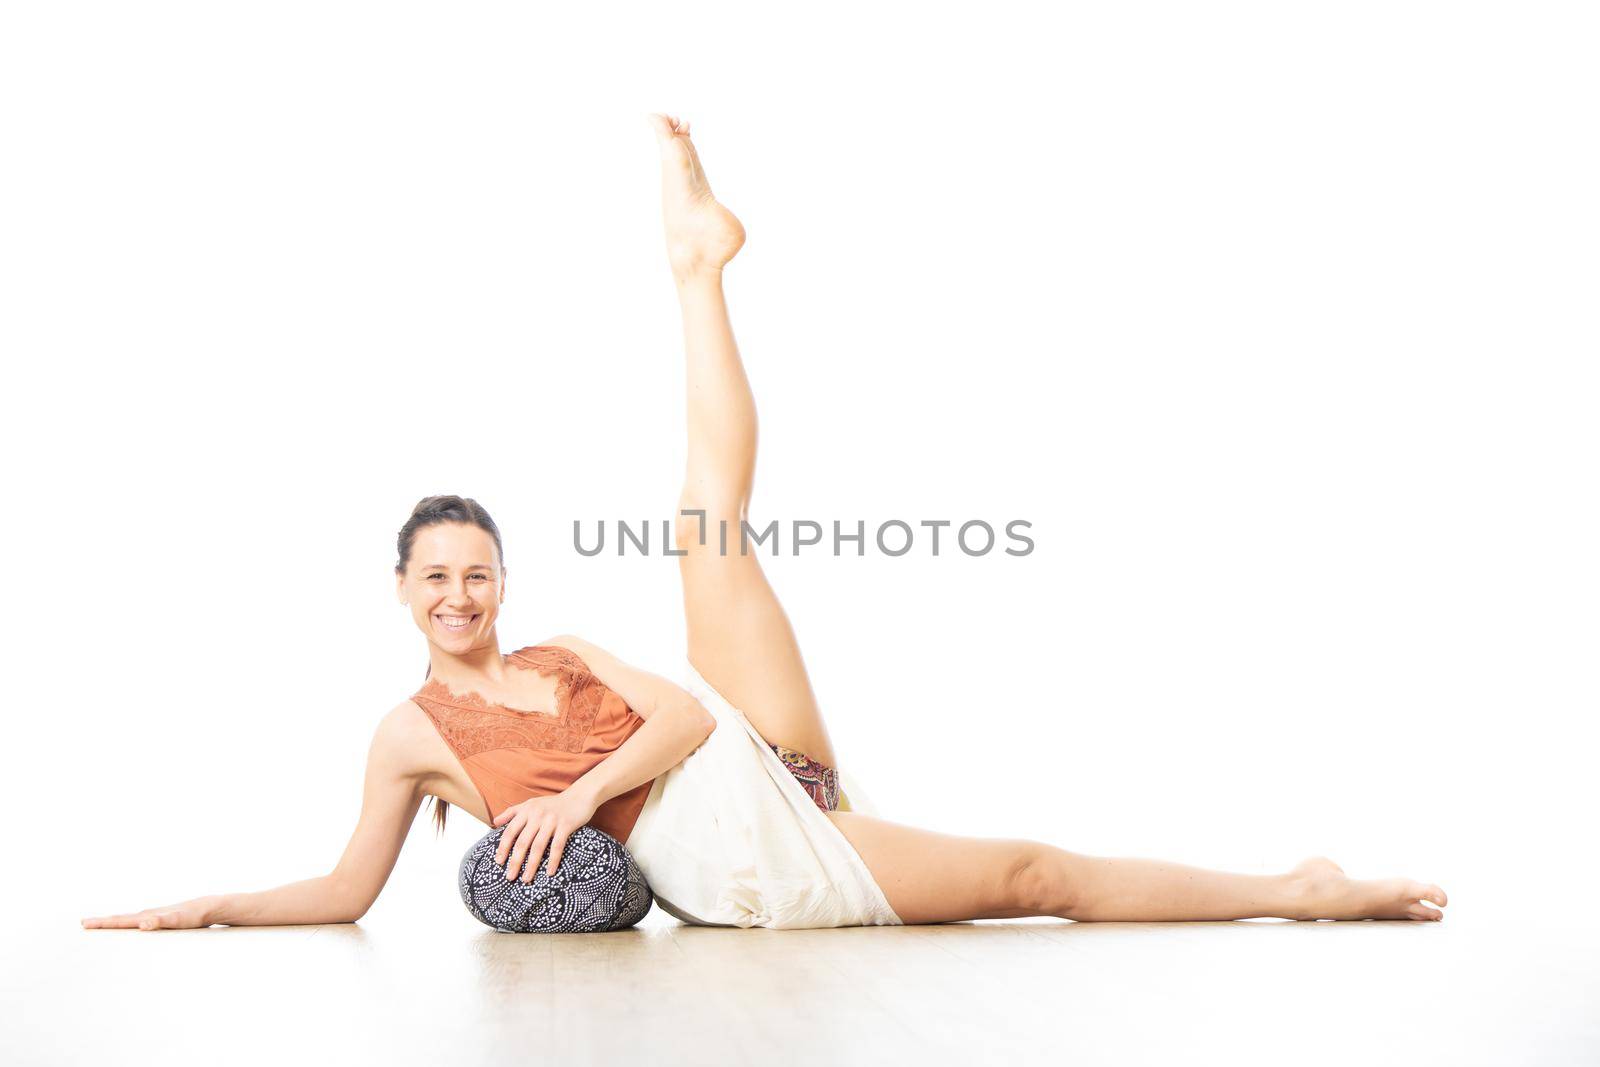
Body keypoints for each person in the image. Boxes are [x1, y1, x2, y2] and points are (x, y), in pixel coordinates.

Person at [81, 114, 1448, 933]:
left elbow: (676, 716)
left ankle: (696, 267)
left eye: (477, 573)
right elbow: (341, 891)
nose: (461, 595)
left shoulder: (556, 649)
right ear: (399, 589)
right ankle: (1300, 889)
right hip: (736, 863)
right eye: (436, 578)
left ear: (499, 582)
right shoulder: (408, 741)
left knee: (706, 530)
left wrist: (570, 788)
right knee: (1040, 874)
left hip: (742, 764)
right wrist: (205, 906)